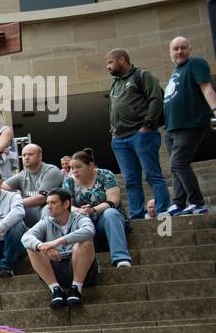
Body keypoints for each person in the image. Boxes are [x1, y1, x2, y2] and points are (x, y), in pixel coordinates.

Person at [106, 47, 168, 219]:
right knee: (131, 181)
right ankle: (137, 216)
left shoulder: (142, 75)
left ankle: (163, 211)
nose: (108, 66)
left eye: (110, 62)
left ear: (122, 60)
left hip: (141, 134)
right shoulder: (116, 83)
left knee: (152, 175)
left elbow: (156, 99)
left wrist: (147, 125)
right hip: (119, 139)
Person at [22, 188, 99, 309]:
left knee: (85, 243)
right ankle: (56, 290)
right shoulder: (46, 221)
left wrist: (57, 242)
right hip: (56, 268)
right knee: (32, 248)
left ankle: (76, 289)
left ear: (66, 204)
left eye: (53, 202)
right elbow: (26, 237)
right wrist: (42, 246)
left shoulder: (79, 217)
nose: (48, 206)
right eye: (47, 203)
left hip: (81, 269)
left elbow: (89, 231)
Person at [162, 36, 211, 216]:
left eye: (183, 48)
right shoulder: (177, 71)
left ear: (190, 49)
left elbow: (206, 88)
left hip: (189, 124)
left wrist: (215, 108)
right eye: (175, 49)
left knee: (178, 162)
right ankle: (178, 203)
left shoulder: (195, 63)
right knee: (175, 166)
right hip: (171, 128)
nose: (179, 51)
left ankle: (197, 203)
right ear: (170, 52)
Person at [64, 148, 132, 268]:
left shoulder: (105, 175)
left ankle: (121, 258)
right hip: (84, 221)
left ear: (90, 165)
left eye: (78, 167)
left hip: (105, 220)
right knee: (71, 217)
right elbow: (66, 205)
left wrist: (93, 210)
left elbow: (114, 200)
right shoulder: (69, 181)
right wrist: (79, 210)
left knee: (111, 212)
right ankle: (80, 263)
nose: (74, 171)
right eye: (72, 168)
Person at [3, 143, 64, 228]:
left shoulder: (51, 171)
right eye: (24, 155)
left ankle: (50, 240)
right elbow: (0, 188)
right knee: (12, 211)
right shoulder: (23, 175)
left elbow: (41, 198)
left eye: (30, 154)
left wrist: (14, 202)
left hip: (48, 211)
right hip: (31, 214)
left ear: (40, 156)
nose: (26, 158)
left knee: (48, 209)